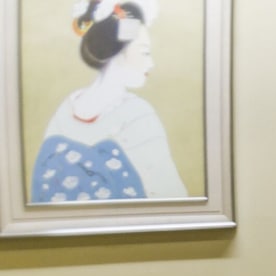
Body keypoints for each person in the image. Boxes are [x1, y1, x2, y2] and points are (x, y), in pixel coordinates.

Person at [32, 1, 187, 203]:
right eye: (145, 52)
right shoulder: (137, 113)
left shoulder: (65, 109)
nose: (151, 64)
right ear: (118, 53)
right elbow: (172, 197)